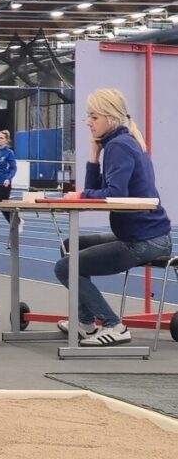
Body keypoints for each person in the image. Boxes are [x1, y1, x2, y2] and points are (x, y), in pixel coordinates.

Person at [54, 88, 173, 347]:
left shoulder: (119, 146)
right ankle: (86, 322)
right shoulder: (118, 143)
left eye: (94, 117)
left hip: (145, 240)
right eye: (88, 116)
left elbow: (114, 194)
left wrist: (81, 195)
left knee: (65, 267)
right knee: (70, 246)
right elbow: (95, 190)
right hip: (143, 235)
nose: (88, 122)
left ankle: (113, 325)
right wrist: (93, 155)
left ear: (110, 117)